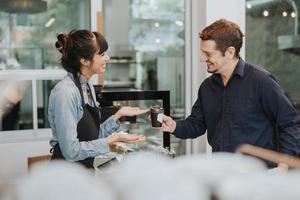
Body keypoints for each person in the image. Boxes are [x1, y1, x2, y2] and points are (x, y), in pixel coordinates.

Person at [161, 19, 300, 169]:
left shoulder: (261, 81)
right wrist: (174, 126)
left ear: (230, 52)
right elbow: (197, 124)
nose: (202, 58)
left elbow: (290, 124)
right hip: (221, 171)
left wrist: (283, 165)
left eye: (207, 53)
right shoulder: (207, 87)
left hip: (259, 174)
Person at [48, 29, 147, 168]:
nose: (108, 58)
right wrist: (112, 140)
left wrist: (118, 115)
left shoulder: (87, 86)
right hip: (66, 176)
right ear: (84, 61)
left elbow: (94, 136)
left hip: (84, 172)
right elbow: (71, 152)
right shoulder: (65, 93)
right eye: (102, 54)